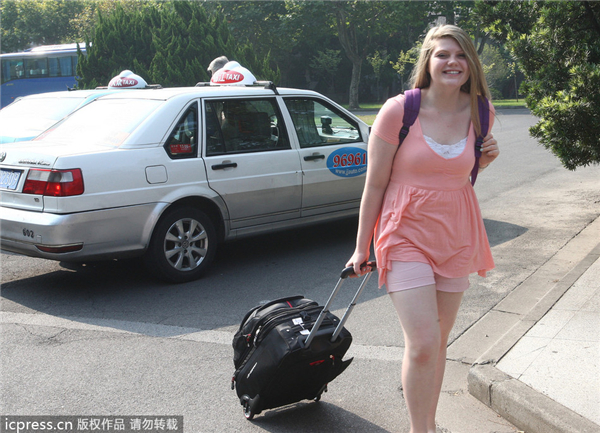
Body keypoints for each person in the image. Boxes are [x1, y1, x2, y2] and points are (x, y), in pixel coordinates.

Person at [346, 24, 499, 433]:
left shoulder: (482, 111)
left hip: (455, 231)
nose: (453, 62)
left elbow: (459, 173)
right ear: (428, 63)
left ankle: (428, 424)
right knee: (425, 341)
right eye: (443, 55)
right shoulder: (400, 110)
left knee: (439, 340)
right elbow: (375, 183)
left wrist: (482, 161)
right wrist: (362, 247)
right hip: (404, 231)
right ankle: (421, 430)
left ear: (471, 63)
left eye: (461, 55)